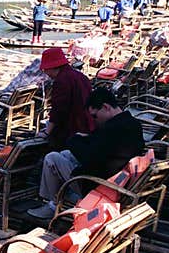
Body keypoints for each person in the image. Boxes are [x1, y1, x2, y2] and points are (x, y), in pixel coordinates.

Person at [27, 86, 143, 219]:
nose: (95, 120)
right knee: (65, 154)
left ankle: (53, 204)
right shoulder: (132, 123)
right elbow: (101, 149)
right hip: (118, 179)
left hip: (99, 185)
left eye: (95, 116)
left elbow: (90, 158)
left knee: (51, 158)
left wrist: (74, 140)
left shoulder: (113, 128)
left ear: (105, 107)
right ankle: (58, 199)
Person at [38, 47, 93, 151]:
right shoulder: (80, 76)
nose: (46, 73)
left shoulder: (61, 81)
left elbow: (58, 110)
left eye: (46, 70)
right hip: (87, 123)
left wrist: (47, 132)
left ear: (53, 67)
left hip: (72, 127)